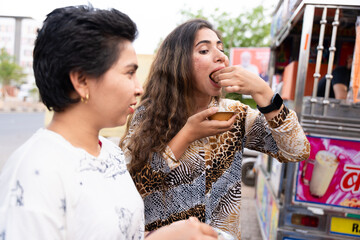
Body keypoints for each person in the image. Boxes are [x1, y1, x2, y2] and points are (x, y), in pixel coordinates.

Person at [0, 6, 219, 240]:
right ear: (82, 81)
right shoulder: (37, 172)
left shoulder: (111, 154)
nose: (139, 88)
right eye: (128, 73)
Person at [120, 19, 310, 239]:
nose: (221, 56)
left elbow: (297, 150)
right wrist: (186, 135)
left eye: (220, 48)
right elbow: (133, 188)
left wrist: (264, 93)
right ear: (178, 62)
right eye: (204, 50)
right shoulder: (149, 115)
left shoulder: (235, 114)